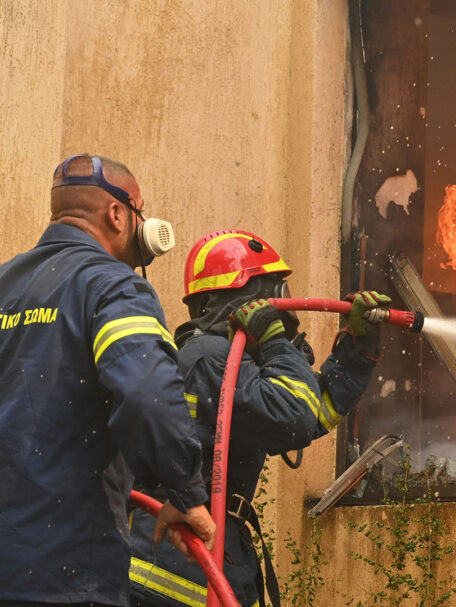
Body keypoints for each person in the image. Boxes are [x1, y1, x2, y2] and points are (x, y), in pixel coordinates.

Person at [128, 229, 388, 607]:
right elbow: (295, 416)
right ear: (246, 300)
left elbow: (311, 413)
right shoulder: (211, 357)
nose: (285, 308)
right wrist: (276, 342)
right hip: (175, 573)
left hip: (201, 555)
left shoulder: (225, 361)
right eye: (277, 293)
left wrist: (356, 349)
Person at [0, 155, 215, 607]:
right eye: (139, 211)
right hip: (67, 573)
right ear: (118, 214)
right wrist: (185, 493)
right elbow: (147, 395)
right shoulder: (113, 287)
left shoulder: (5, 285)